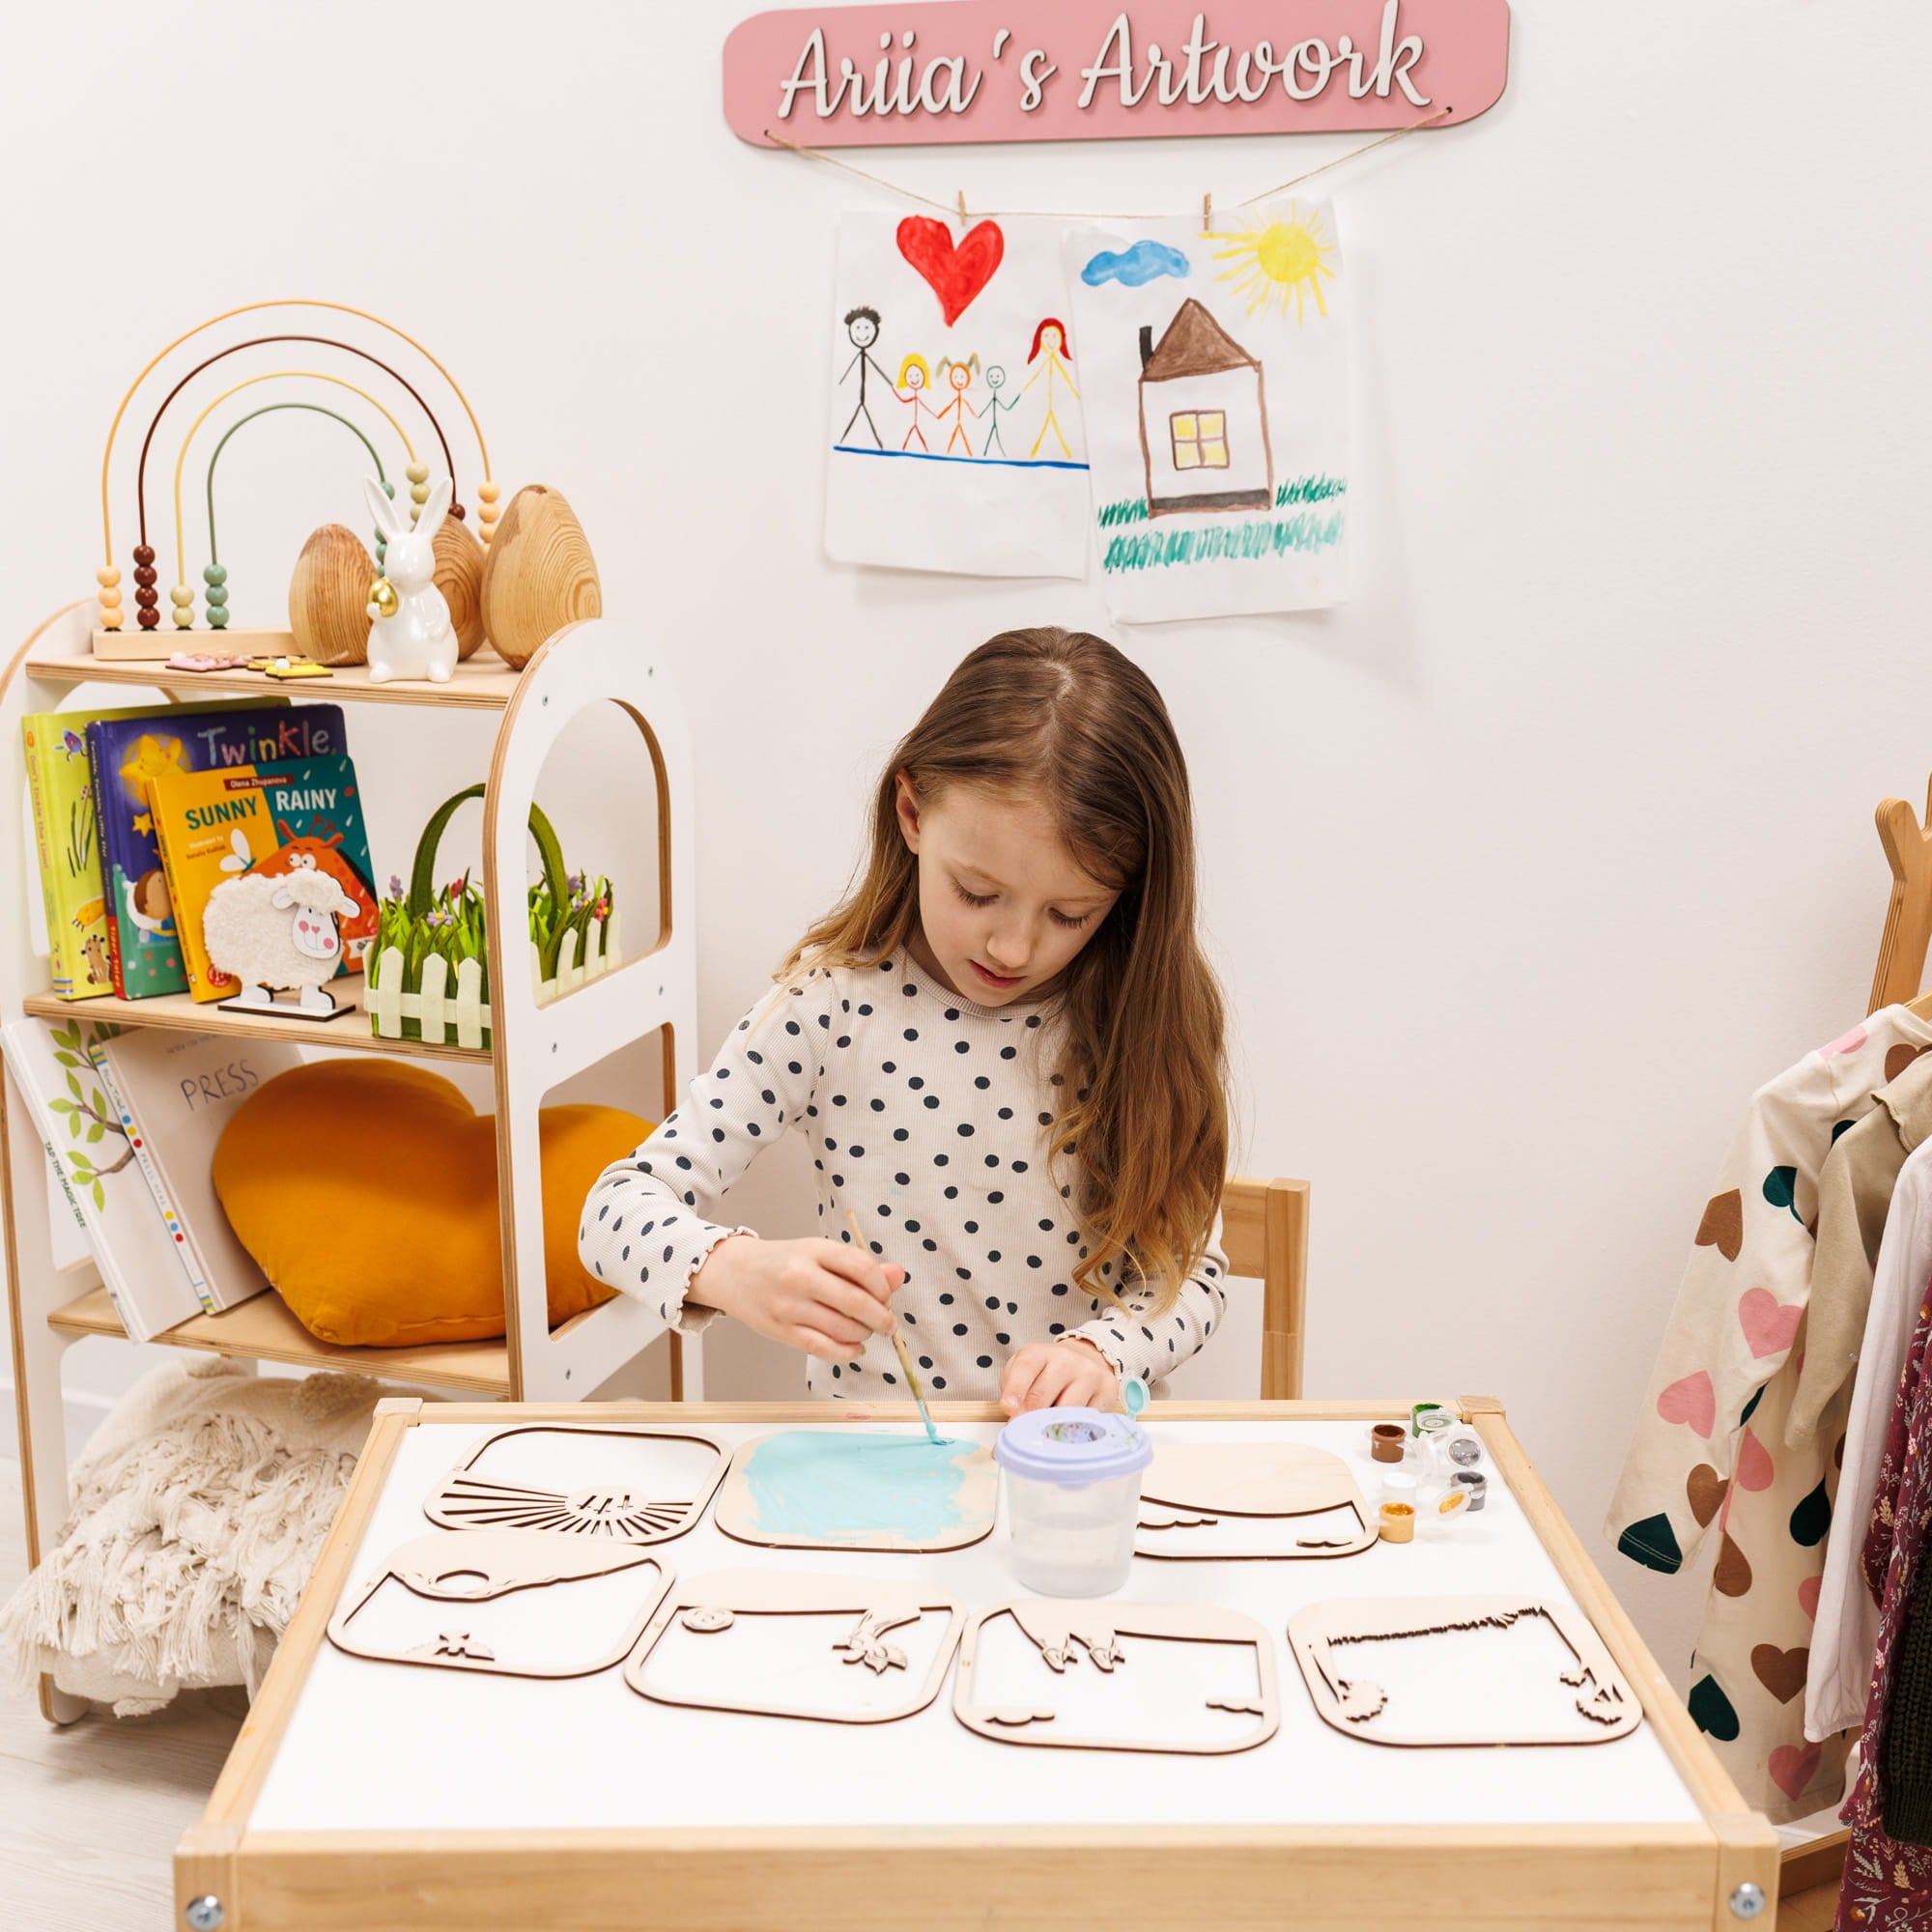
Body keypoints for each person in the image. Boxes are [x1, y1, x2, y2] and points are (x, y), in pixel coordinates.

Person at [579, 628, 1232, 1415]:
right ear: (912, 810)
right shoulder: (825, 1010)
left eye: (1070, 913)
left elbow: (1192, 1273)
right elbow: (611, 1212)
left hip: (1080, 1472)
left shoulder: (1134, 1023)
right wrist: (730, 1270)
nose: (1013, 945)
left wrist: (1105, 1352)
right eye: (977, 893)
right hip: (883, 1481)